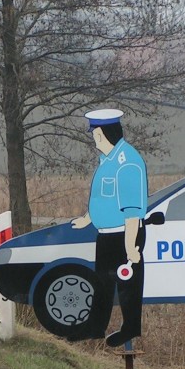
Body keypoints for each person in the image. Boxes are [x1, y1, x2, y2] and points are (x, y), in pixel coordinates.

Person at [69, 108, 148, 347]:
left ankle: (130, 328)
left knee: (127, 285)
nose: (94, 140)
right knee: (102, 283)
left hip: (124, 234)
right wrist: (87, 219)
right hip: (106, 235)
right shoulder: (107, 160)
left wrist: (130, 246)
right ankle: (95, 327)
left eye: (95, 135)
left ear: (103, 134)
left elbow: (133, 209)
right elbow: (103, 198)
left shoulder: (128, 163)